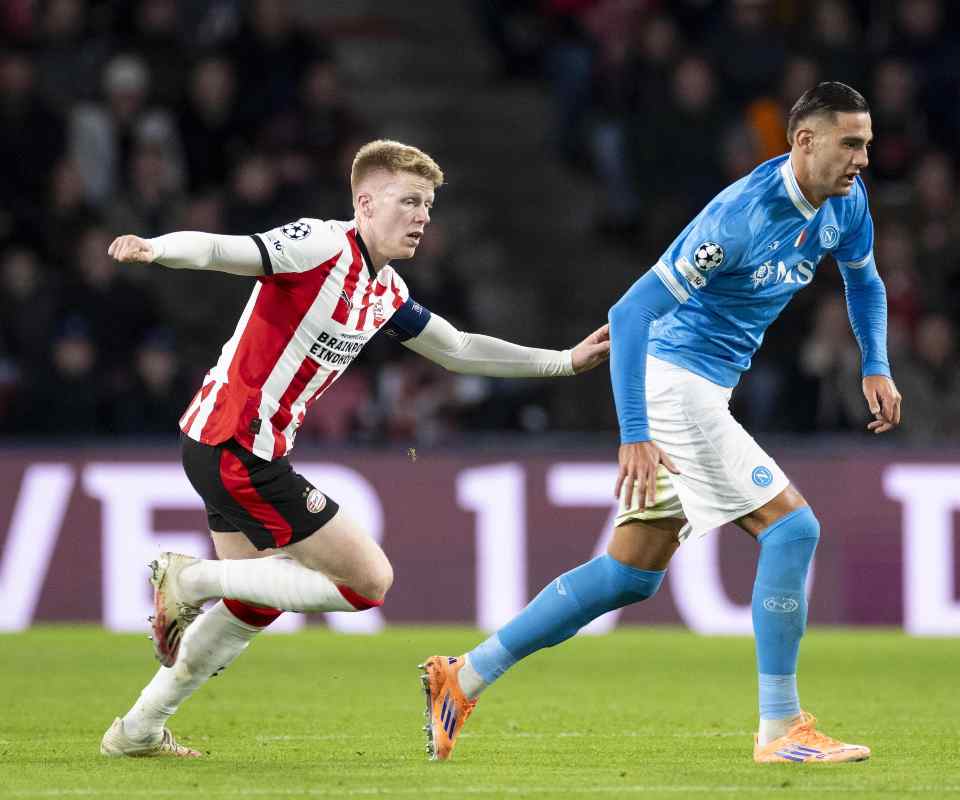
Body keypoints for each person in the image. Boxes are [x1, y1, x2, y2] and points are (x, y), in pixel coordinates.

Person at [422, 82, 901, 765]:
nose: (862, 159)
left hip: (704, 387)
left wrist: (875, 364)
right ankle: (780, 728)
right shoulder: (737, 218)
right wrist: (635, 432)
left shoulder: (846, 202)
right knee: (793, 529)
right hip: (675, 384)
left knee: (631, 575)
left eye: (867, 144)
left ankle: (463, 677)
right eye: (850, 144)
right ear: (805, 141)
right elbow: (629, 314)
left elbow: (865, 281)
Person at [98, 139, 610, 758]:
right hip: (235, 443)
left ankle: (138, 730)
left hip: (236, 448)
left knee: (250, 604)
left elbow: (458, 348)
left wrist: (563, 361)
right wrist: (157, 248)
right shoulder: (319, 244)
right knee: (369, 580)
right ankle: (189, 577)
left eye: (428, 205)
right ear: (365, 204)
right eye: (409, 201)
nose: (422, 217)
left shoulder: (384, 290)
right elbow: (221, 250)